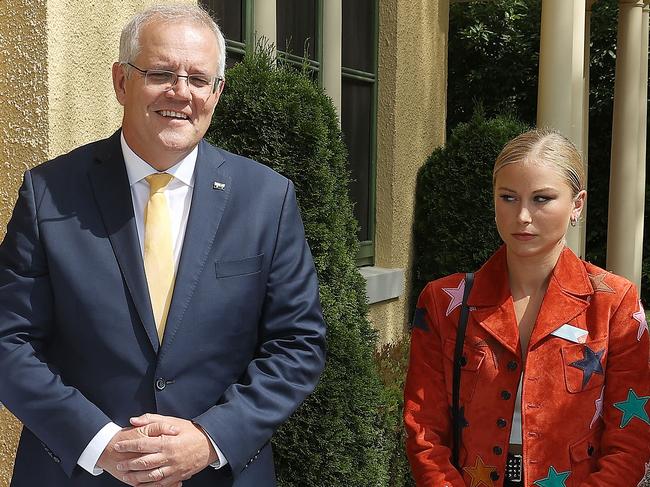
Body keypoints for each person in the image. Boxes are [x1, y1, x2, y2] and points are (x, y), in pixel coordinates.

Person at [0, 4, 326, 486]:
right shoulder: (49, 193)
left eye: (199, 79)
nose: (181, 93)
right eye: (161, 73)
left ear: (217, 93)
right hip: (80, 474)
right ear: (120, 82)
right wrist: (100, 444)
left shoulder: (266, 198)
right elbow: (9, 340)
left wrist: (210, 437)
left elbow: (298, 343)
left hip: (217, 474)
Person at [404, 129, 650, 486]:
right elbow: (423, 428)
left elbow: (630, 439)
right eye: (508, 197)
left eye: (541, 199)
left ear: (577, 204)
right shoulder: (444, 302)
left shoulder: (614, 303)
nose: (522, 216)